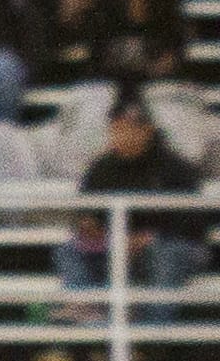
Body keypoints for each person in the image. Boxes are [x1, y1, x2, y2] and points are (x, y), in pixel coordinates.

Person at [53, 88, 205, 325]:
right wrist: (90, 227)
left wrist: (148, 238)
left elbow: (194, 224)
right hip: (117, 245)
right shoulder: (102, 168)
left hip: (168, 246)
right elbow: (86, 214)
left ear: (147, 130)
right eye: (116, 129)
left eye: (128, 129)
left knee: (164, 254)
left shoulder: (175, 168)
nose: (121, 136)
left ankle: (152, 336)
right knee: (69, 248)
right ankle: (86, 308)